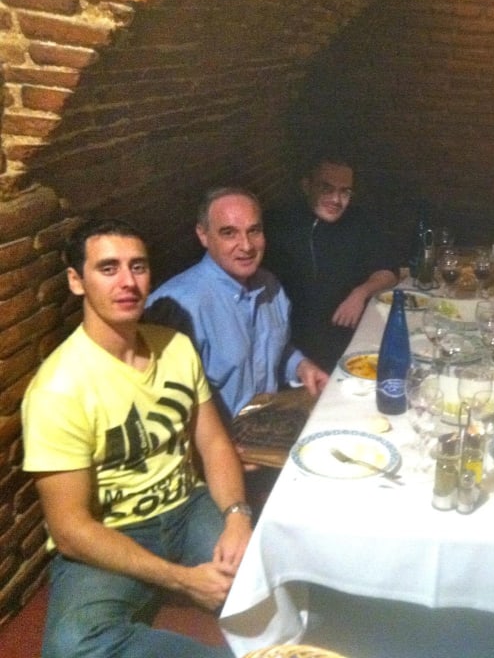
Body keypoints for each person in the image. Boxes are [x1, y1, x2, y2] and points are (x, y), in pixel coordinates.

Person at [21, 218, 252, 658]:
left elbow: (214, 444)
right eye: (108, 269)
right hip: (113, 530)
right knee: (73, 648)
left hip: (188, 506)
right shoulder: (59, 388)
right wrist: (181, 579)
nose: (128, 282)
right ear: (77, 281)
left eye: (138, 267)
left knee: (271, 582)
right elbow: (70, 530)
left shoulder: (175, 347)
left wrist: (238, 516)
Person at [144, 187, 329, 422]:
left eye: (254, 231)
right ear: (203, 235)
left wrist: (301, 366)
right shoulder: (178, 306)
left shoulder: (270, 285)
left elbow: (274, 351)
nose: (247, 246)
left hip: (266, 427)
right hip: (218, 448)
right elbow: (160, 409)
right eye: (229, 233)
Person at [265, 151, 398, 371]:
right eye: (327, 189)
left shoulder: (359, 222)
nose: (337, 200)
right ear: (307, 186)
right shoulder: (279, 225)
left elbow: (389, 271)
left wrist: (360, 292)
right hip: (296, 348)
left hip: (350, 336)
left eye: (344, 191)